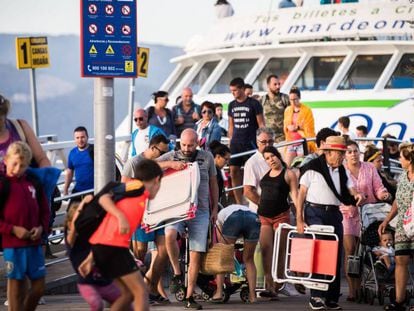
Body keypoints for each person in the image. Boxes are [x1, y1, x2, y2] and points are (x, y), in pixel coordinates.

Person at [80, 159, 164, 311]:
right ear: (157, 180)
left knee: (127, 294)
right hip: (112, 247)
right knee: (140, 291)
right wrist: (120, 216)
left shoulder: (141, 196)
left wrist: (91, 257)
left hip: (108, 247)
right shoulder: (138, 186)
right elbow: (104, 198)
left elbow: (107, 226)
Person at [296, 136, 363, 310]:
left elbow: (350, 187)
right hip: (315, 212)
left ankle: (331, 297)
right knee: (321, 252)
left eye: (343, 153)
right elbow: (301, 194)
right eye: (339, 153)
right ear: (328, 152)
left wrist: (356, 195)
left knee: (335, 254)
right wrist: (299, 219)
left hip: (334, 213)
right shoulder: (312, 168)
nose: (341, 156)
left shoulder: (342, 170)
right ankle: (317, 296)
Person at [158, 128, 219, 310]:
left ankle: (189, 295)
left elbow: (213, 183)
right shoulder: (173, 155)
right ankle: (177, 274)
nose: (186, 148)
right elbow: (148, 164)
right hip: (178, 207)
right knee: (169, 235)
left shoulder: (207, 157)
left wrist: (215, 207)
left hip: (200, 210)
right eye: (183, 144)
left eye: (190, 145)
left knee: (196, 254)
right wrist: (170, 163)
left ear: (198, 143)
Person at [122, 134, 176, 304]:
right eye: (161, 152)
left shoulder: (162, 162)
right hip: (140, 212)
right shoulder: (134, 162)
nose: (164, 156)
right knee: (140, 253)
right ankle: (135, 291)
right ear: (153, 148)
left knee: (163, 251)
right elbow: (124, 187)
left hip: (160, 211)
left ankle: (151, 289)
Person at [0, 141, 50, 311]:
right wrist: (13, 230)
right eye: (14, 164)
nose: (17, 169)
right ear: (5, 160)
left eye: (22, 166)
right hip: (13, 245)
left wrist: (42, 228)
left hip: (34, 243)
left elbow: (45, 209)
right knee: (16, 287)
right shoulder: (3, 184)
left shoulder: (34, 182)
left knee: (39, 287)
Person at [343, 140, 391, 301]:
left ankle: (377, 283)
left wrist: (383, 194)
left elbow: (378, 187)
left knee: (372, 249)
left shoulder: (369, 168)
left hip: (369, 213)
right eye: (349, 152)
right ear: (345, 155)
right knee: (351, 251)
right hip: (348, 214)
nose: (353, 154)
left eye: (355, 151)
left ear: (359, 152)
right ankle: (353, 289)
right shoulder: (341, 171)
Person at [65, 198, 122, 311]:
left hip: (105, 282)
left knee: (125, 302)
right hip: (87, 284)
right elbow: (75, 227)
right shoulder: (72, 241)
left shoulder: (92, 236)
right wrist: (81, 205)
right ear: (69, 223)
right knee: (97, 304)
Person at [258, 145, 299, 298]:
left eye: (272, 156)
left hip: (281, 215)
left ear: (278, 155)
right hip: (264, 217)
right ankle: (269, 284)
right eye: (267, 159)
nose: (271, 160)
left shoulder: (289, 174)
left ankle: (278, 283)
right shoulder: (266, 173)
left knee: (280, 251)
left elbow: (295, 196)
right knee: (265, 249)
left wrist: (300, 217)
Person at [379, 143, 414, 311]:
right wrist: (387, 220)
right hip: (402, 225)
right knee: (400, 259)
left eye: (402, 157)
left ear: (410, 160)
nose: (399, 160)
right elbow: (397, 201)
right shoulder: (402, 177)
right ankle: (399, 301)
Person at [210, 204, 261, 303]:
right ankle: (252, 295)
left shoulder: (220, 216)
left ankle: (219, 292)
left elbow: (219, 239)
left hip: (234, 218)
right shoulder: (244, 208)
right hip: (253, 218)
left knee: (223, 257)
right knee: (249, 260)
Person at [228, 77, 265, 204]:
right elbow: (231, 126)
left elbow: (261, 124)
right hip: (236, 144)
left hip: (251, 142)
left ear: (242, 89)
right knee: (233, 171)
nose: (233, 93)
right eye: (231, 91)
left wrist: (262, 141)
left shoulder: (254, 104)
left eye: (235, 90)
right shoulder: (231, 105)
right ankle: (239, 203)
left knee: (255, 170)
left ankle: (257, 198)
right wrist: (230, 141)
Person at [0, 94, 51, 175]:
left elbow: (42, 158)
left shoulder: (20, 126)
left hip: (26, 183)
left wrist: (43, 180)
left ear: (5, 115)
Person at [283, 86, 316, 167]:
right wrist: (288, 127)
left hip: (302, 142)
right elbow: (285, 125)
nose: (293, 102)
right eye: (291, 100)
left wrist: (297, 128)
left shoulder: (307, 110)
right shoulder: (287, 110)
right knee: (287, 166)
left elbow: (309, 127)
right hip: (291, 142)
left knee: (301, 166)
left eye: (295, 99)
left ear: (299, 98)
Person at [243, 127, 274, 212]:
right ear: (257, 143)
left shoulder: (278, 158)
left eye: (270, 141)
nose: (267, 145)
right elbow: (248, 191)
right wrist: (266, 207)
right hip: (261, 212)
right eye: (264, 142)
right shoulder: (252, 163)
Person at [63, 126, 94, 200]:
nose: (80, 140)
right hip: (78, 190)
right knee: (71, 211)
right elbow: (69, 172)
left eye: (82, 137)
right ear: (74, 139)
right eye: (77, 138)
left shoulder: (94, 150)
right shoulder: (72, 153)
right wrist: (65, 189)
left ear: (87, 137)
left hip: (93, 191)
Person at [261, 75, 289, 144]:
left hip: (284, 139)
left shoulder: (285, 98)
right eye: (275, 84)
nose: (278, 86)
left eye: (279, 84)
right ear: (268, 85)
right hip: (268, 140)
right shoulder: (262, 100)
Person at [209, 140, 231, 205]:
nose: (227, 163)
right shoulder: (215, 172)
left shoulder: (214, 170)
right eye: (226, 159)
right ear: (218, 157)